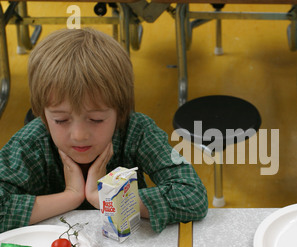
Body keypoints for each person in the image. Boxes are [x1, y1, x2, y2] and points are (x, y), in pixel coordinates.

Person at [0, 28, 208, 233]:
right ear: (43, 115)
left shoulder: (138, 130)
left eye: (96, 119)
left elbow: (192, 195)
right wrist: (71, 196)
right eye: (61, 120)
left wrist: (105, 198)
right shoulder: (31, 142)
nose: (79, 135)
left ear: (121, 112)